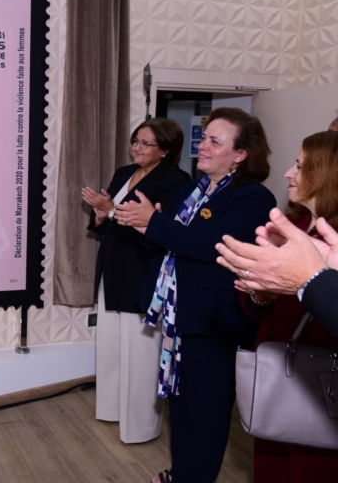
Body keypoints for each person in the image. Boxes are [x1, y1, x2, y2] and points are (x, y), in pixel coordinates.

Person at [115, 107, 277, 483]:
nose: (202, 146)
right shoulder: (193, 189)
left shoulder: (253, 198)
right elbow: (166, 238)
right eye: (204, 138)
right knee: (181, 404)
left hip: (214, 320)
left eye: (214, 141)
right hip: (180, 315)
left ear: (241, 154)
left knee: (206, 411)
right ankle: (182, 473)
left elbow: (210, 245)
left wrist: (154, 223)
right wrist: (146, 225)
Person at [233, 131, 338, 481]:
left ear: (327, 175)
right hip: (278, 374)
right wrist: (260, 293)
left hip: (321, 384)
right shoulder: (293, 225)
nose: (288, 173)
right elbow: (257, 307)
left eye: (300, 166)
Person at [81, 118, 189, 444]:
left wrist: (112, 211)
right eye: (135, 141)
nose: (137, 148)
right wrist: (101, 214)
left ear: (166, 149)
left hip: (144, 270)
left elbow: (160, 230)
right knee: (112, 344)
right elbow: (108, 219)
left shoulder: (176, 181)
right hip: (114, 267)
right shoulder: (124, 172)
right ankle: (112, 409)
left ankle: (141, 426)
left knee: (141, 352)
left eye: (146, 143)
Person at [216, 209, 338, 338]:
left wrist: (312, 279)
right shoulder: (295, 222)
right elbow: (259, 314)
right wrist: (262, 294)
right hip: (271, 341)